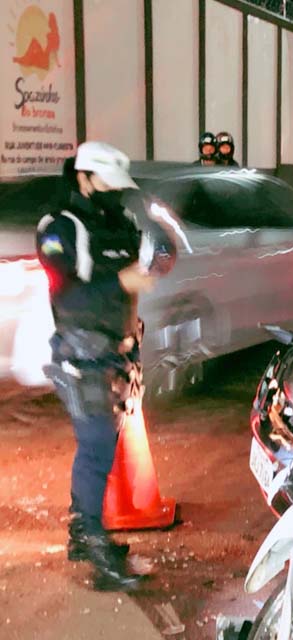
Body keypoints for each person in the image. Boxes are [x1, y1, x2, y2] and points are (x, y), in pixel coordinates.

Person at [36, 142, 155, 592]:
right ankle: (92, 541)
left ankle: (81, 535)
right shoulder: (59, 227)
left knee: (101, 444)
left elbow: (141, 263)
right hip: (80, 353)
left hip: (117, 352)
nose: (115, 194)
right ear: (84, 179)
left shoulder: (117, 222)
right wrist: (120, 280)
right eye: (108, 185)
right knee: (96, 447)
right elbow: (67, 291)